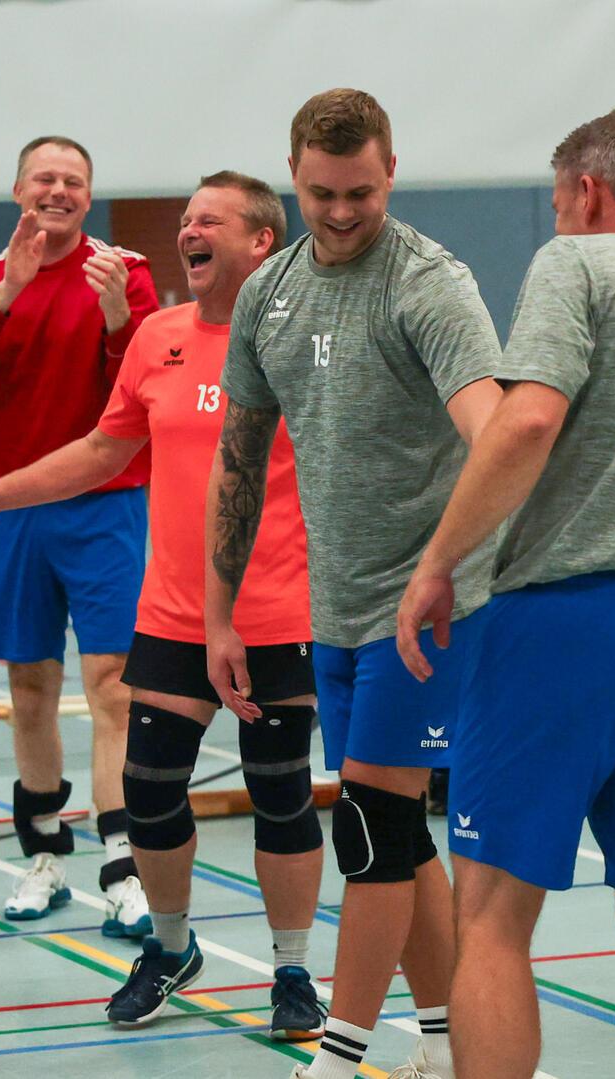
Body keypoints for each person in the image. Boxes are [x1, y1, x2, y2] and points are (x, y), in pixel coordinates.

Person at [396, 109, 615, 1079]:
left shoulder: (580, 263)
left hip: (566, 618)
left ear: (588, 192)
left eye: (560, 201)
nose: (558, 217)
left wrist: (438, 561)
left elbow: (525, 421)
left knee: (492, 916)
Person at [0, 172, 328, 1039]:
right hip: (175, 615)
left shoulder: (303, 342)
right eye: (186, 219)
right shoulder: (159, 336)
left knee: (283, 795)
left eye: (210, 220)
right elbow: (106, 447)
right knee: (150, 795)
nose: (190, 230)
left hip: (277, 614)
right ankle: (170, 948)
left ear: (262, 240)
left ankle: (292, 968)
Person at [210, 88, 503, 1079]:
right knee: (399, 834)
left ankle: (339, 1056)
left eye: (363, 193)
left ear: (392, 171)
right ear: (293, 175)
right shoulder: (269, 292)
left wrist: (448, 564)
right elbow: (239, 464)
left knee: (371, 822)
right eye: (324, 193)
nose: (342, 212)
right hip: (330, 607)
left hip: (429, 607)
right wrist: (220, 613)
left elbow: (493, 431)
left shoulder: (430, 284)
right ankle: (447, 1036)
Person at [0, 135, 161, 930]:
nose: (57, 191)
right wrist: (4, 296)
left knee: (113, 687)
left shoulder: (123, 270)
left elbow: (149, 382)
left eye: (73, 181)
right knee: (30, 688)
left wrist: (116, 316)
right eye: (44, 178)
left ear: (88, 195)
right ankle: (44, 856)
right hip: (14, 508)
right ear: (18, 189)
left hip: (106, 506)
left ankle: (123, 868)